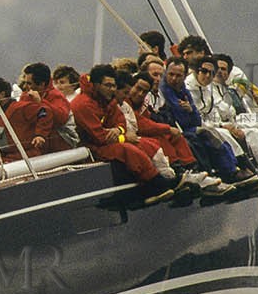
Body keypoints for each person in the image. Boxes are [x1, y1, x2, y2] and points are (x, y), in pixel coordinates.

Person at [189, 56, 258, 186]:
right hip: (208, 127)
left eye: (214, 71)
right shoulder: (194, 87)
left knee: (252, 132)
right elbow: (202, 117)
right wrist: (224, 125)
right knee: (228, 133)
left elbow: (222, 111)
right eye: (205, 71)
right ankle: (243, 169)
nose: (211, 74)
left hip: (224, 123)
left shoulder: (222, 88)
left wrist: (228, 122)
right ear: (197, 71)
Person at [71, 65, 178, 200]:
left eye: (113, 85)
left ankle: (170, 174)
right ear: (96, 85)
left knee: (146, 144)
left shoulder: (106, 100)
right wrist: (123, 137)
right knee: (128, 150)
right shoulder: (83, 105)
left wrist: (118, 130)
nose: (112, 89)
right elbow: (98, 137)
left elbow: (120, 120)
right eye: (107, 85)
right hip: (91, 148)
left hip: (107, 142)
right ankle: (155, 185)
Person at [160, 56, 246, 184]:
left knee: (214, 135)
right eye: (171, 74)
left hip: (190, 127)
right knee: (204, 135)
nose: (174, 79)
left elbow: (195, 119)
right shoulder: (166, 91)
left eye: (178, 76)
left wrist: (190, 110)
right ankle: (220, 173)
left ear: (183, 76)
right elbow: (181, 118)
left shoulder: (183, 90)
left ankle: (234, 168)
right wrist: (189, 113)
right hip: (176, 130)